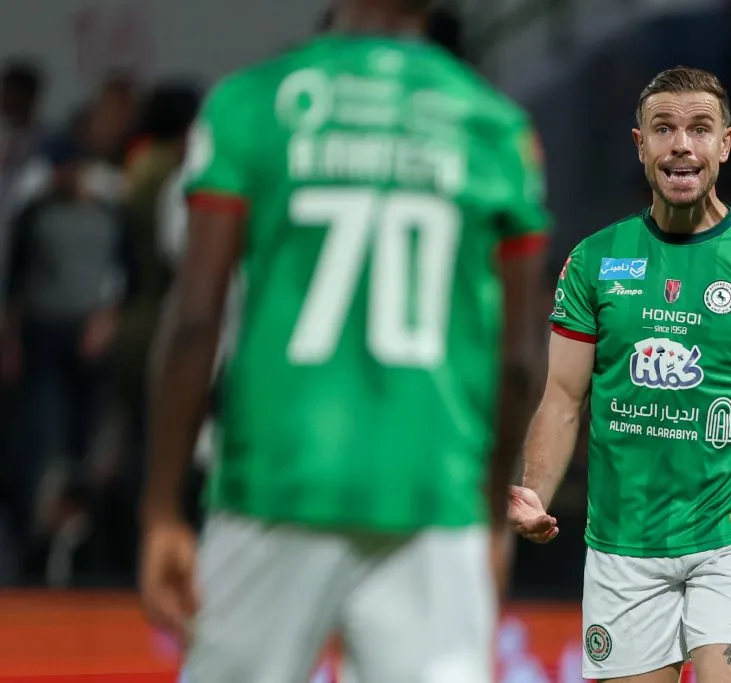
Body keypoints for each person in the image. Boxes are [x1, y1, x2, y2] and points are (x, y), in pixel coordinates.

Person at [138, 0, 549, 680]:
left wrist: (160, 509)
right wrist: (490, 515)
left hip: (274, 480)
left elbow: (193, 320)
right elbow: (519, 356)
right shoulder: (497, 128)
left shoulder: (251, 104)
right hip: (431, 488)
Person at [508, 66, 731, 683]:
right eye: (664, 129)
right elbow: (562, 399)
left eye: (699, 129)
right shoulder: (594, 261)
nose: (681, 144)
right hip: (623, 548)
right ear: (640, 145)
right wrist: (535, 495)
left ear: (726, 144)